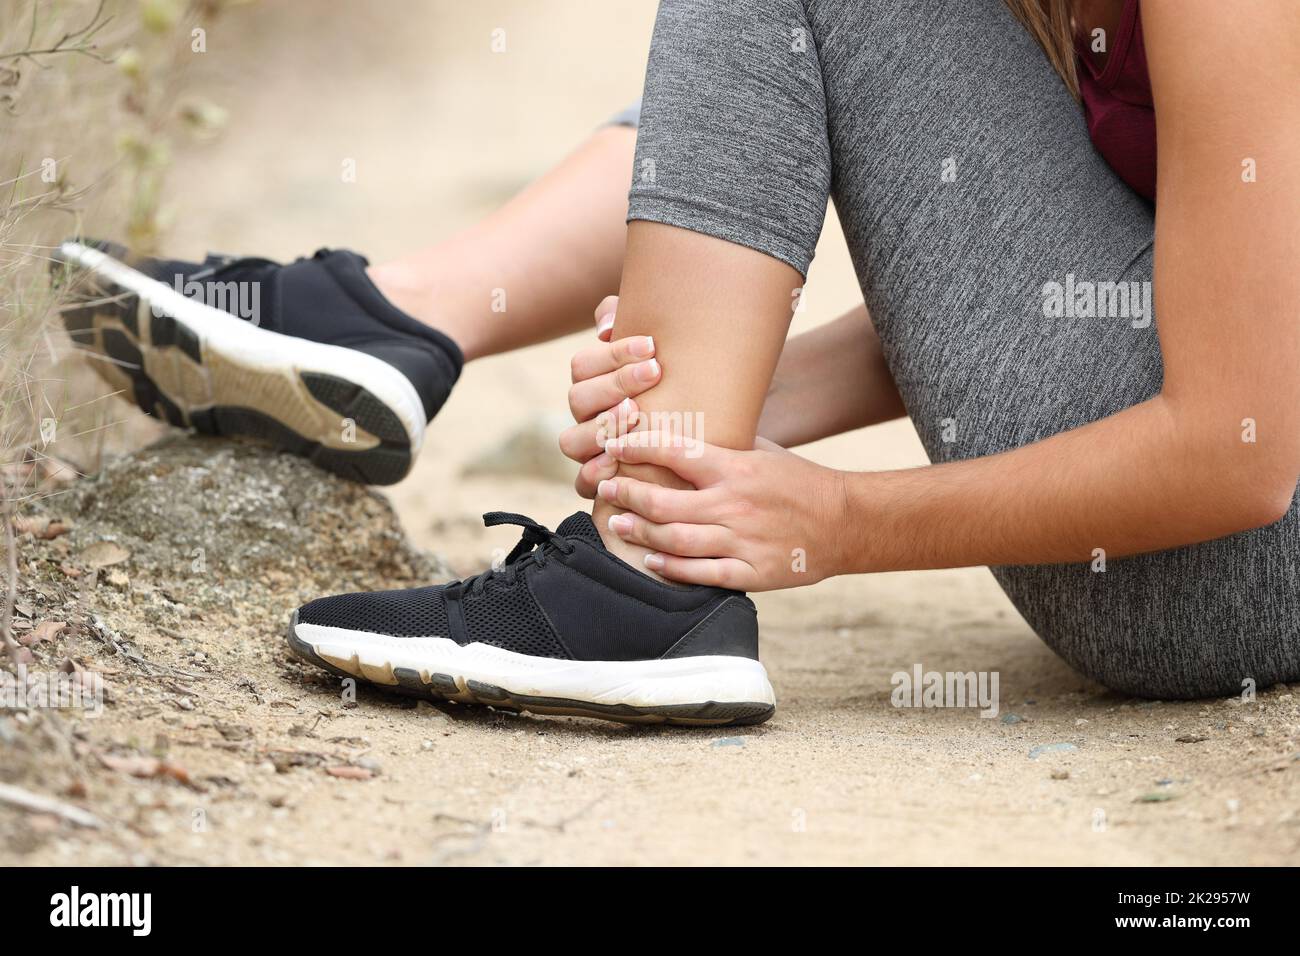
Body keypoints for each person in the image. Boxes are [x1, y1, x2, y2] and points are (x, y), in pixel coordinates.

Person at [60, 0, 1298, 726]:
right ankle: (398, 323)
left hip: (1218, 571)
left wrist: (837, 523)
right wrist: (746, 397)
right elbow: (1093, 280)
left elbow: (1239, 450)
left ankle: (625, 567)